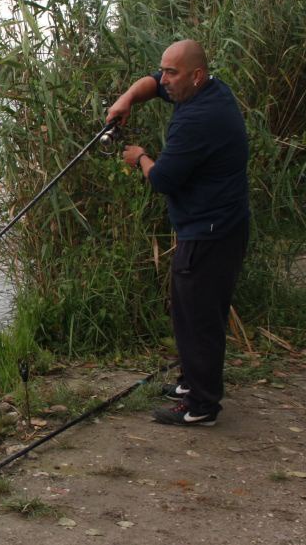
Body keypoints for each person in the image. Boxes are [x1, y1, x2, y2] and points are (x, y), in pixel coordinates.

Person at [107, 40, 251, 427]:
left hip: (210, 231)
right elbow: (152, 83)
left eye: (172, 73)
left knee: (199, 318)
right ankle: (191, 383)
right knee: (188, 311)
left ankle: (201, 406)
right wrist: (126, 99)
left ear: (196, 76)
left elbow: (164, 180)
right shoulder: (209, 90)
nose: (164, 80)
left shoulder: (197, 118)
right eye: (164, 70)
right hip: (220, 224)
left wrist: (138, 156)